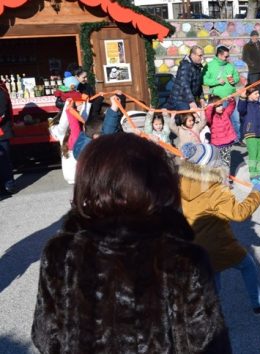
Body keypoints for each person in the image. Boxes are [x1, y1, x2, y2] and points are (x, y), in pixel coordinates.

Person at [31, 133, 230, 353]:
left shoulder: (61, 252)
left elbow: (45, 336)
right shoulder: (181, 257)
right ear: (159, 182)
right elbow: (207, 344)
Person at [178, 142, 260, 316]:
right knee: (247, 265)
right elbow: (239, 213)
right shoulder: (215, 190)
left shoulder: (184, 181)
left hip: (197, 242)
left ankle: (205, 314)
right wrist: (257, 192)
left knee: (214, 279)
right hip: (219, 243)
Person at [203, 46, 241, 141]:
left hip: (231, 97)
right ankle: (219, 138)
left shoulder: (230, 65)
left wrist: (234, 80)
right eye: (225, 56)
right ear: (219, 55)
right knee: (218, 121)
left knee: (236, 119)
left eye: (228, 56)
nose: (227, 58)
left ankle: (237, 138)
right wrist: (216, 81)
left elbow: (237, 77)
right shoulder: (210, 65)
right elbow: (204, 80)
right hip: (217, 99)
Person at [73, 94, 125, 159]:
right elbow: (108, 131)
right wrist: (114, 107)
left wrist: (101, 97)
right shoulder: (100, 151)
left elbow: (94, 110)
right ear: (96, 137)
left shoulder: (82, 145)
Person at [167, 45, 204, 110]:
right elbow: (185, 85)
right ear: (193, 55)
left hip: (188, 99)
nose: (202, 58)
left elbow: (198, 84)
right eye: (200, 55)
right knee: (187, 118)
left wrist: (201, 98)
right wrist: (191, 101)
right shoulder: (186, 66)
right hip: (179, 100)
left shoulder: (197, 67)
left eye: (202, 55)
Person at [205, 95, 237, 167]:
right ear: (213, 108)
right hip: (218, 144)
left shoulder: (225, 112)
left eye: (221, 105)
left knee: (226, 161)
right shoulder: (211, 117)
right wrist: (210, 107)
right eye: (218, 106)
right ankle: (220, 175)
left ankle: (226, 176)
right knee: (218, 161)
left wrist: (231, 100)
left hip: (227, 142)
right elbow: (207, 115)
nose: (221, 107)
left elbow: (232, 107)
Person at [242, 30, 260, 106]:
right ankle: (253, 102)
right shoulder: (247, 46)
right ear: (251, 37)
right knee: (253, 87)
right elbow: (244, 57)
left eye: (256, 36)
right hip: (254, 71)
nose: (255, 37)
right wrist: (251, 64)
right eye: (254, 36)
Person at [0, 76, 15, 196]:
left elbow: (3, 113)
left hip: (2, 131)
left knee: (4, 160)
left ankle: (9, 185)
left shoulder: (1, 91)